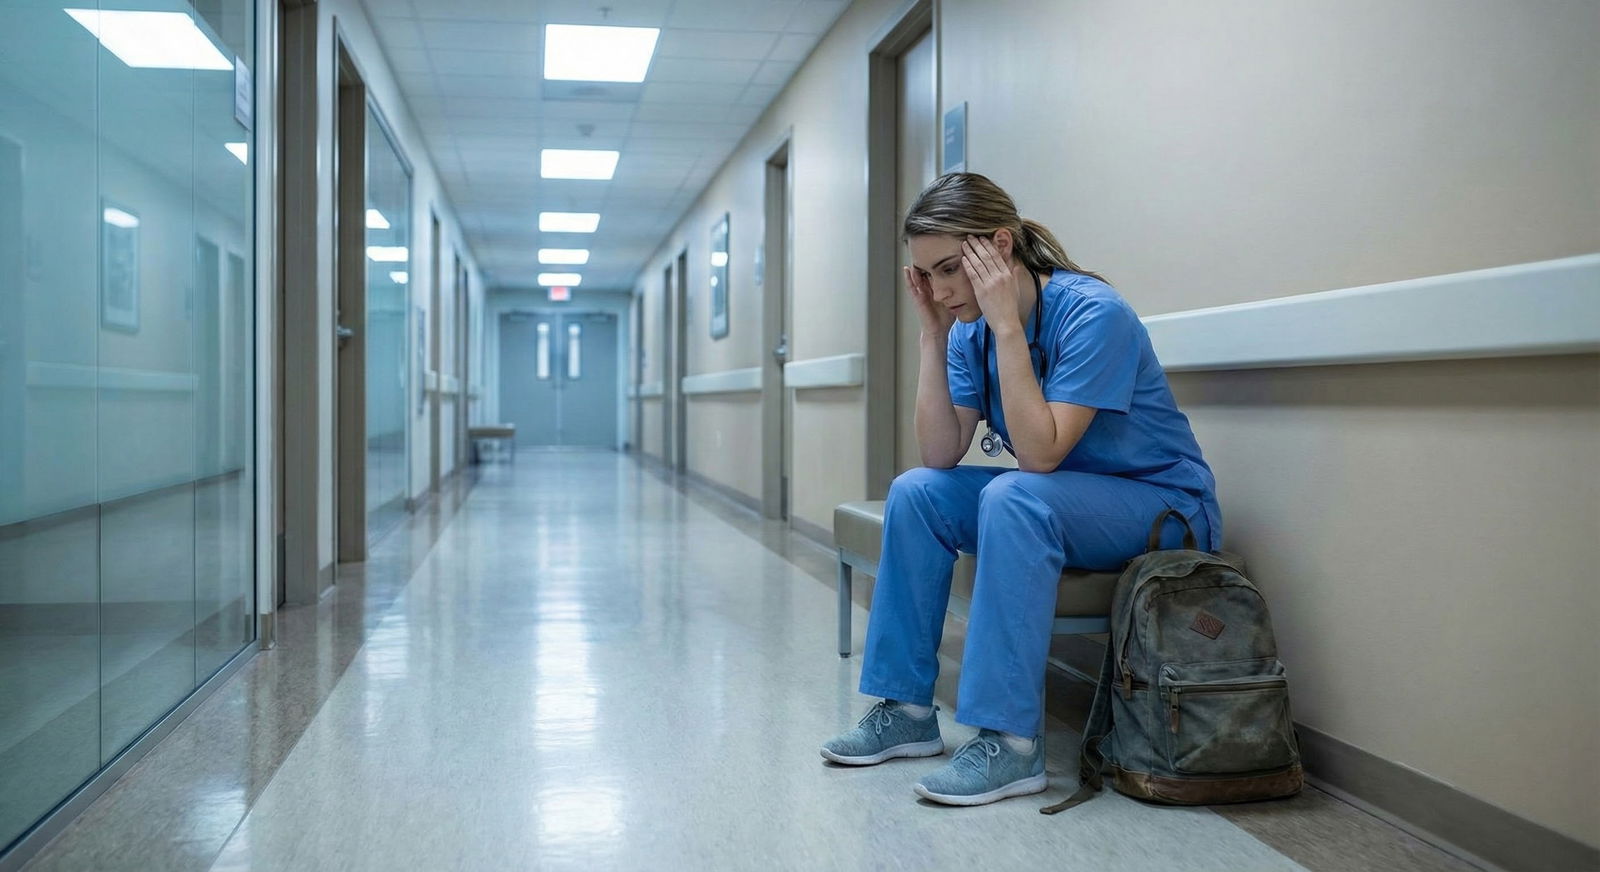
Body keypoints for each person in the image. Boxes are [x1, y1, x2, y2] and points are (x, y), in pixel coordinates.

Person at [819, 172, 1222, 806]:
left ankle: (1010, 746)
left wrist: (1008, 327)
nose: (942, 289)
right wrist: (932, 333)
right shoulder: (966, 327)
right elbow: (940, 452)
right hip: (1060, 499)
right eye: (926, 275)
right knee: (917, 490)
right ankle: (906, 712)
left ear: (999, 248)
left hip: (1159, 506)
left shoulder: (1094, 314)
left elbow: (1039, 454)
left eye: (951, 269)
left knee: (1013, 494)